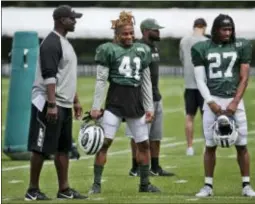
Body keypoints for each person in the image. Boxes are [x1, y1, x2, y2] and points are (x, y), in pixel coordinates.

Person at [88, 11, 161, 193]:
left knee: (143, 144)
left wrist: (149, 107)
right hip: (115, 102)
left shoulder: (142, 50)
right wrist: (96, 107)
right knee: (104, 143)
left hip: (136, 104)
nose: (129, 36)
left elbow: (146, 81)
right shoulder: (108, 50)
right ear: (117, 35)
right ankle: (96, 184)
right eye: (125, 34)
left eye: (131, 33)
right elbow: (101, 80)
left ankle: (144, 184)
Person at [191, 14, 255, 197]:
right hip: (212, 98)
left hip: (234, 99)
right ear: (215, 29)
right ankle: (208, 186)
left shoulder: (241, 45)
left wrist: (235, 102)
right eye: (224, 29)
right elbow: (200, 80)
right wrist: (211, 102)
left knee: (242, 144)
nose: (228, 32)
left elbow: (244, 78)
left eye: (230, 29)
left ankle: (246, 185)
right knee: (210, 144)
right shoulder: (201, 48)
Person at [25, 5, 87, 200]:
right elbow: (49, 75)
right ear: (61, 20)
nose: (75, 21)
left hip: (64, 103)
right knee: (40, 146)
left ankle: (64, 189)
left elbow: (66, 76)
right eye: (72, 18)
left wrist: (75, 101)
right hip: (48, 102)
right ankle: (32, 190)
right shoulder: (51, 42)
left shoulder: (65, 42)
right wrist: (51, 104)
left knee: (63, 147)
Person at [126, 18, 174, 177]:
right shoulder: (137, 48)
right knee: (138, 135)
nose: (159, 32)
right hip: (140, 97)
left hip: (156, 96)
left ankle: (155, 166)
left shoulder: (154, 48)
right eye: (155, 29)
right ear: (146, 31)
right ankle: (135, 167)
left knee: (155, 135)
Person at [179, 18, 208, 156]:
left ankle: (189, 147)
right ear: (204, 27)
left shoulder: (184, 41)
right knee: (206, 117)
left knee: (189, 116)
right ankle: (207, 145)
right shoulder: (207, 42)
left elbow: (182, 59)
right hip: (203, 85)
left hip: (189, 84)